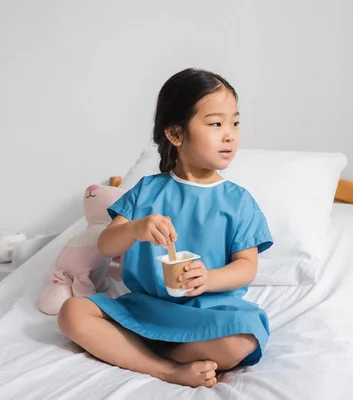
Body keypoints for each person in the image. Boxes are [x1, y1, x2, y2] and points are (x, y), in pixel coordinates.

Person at [58, 68, 273, 388]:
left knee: (244, 340)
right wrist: (134, 230)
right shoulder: (146, 191)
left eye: (235, 123)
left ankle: (133, 348)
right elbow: (106, 246)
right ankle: (166, 368)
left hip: (206, 312)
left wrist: (209, 278)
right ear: (175, 134)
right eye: (216, 123)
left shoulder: (238, 202)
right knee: (71, 313)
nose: (230, 134)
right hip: (144, 309)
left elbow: (246, 267)